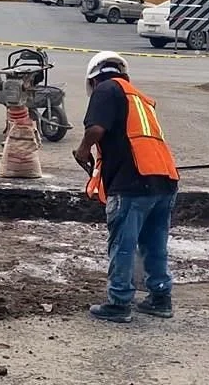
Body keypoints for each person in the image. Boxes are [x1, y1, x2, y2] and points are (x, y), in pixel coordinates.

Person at [74, 51, 179, 323]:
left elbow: (96, 129)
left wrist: (83, 150)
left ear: (93, 80)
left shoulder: (106, 89)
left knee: (123, 243)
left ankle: (119, 302)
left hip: (132, 182)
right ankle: (160, 298)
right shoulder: (141, 98)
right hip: (164, 179)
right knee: (154, 244)